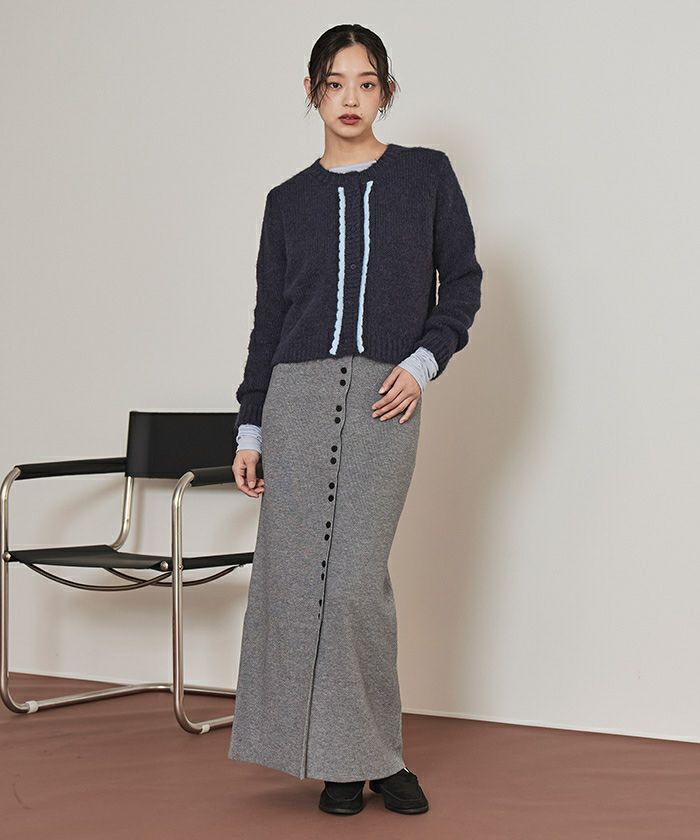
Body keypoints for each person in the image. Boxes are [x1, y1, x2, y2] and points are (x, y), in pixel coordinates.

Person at [227, 23, 483, 817]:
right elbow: (269, 321)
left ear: (386, 92)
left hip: (384, 398)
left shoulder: (426, 177)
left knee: (354, 587)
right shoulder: (286, 203)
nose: (350, 98)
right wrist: (250, 427)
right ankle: (343, 764)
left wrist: (423, 363)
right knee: (299, 583)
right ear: (312, 91)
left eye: (366, 83)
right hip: (296, 403)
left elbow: (463, 283)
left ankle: (376, 755)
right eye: (335, 83)